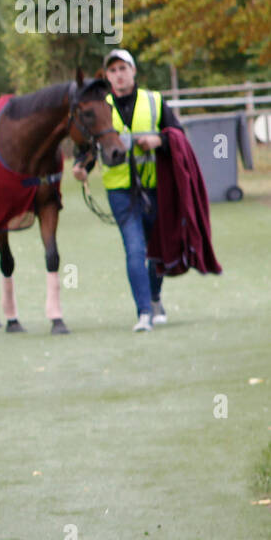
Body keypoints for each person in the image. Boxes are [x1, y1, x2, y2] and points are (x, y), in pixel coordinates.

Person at [72, 48, 183, 333]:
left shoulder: (155, 101)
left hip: (155, 185)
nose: (118, 75)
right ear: (107, 77)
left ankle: (155, 298)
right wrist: (81, 165)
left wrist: (157, 140)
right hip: (120, 190)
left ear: (133, 71)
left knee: (156, 249)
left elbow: (178, 136)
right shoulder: (100, 105)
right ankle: (144, 312)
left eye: (123, 68)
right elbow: (88, 145)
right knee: (135, 249)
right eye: (113, 70)